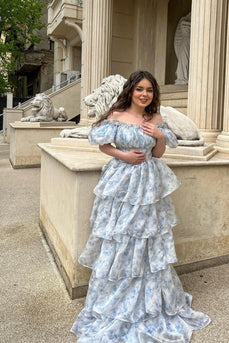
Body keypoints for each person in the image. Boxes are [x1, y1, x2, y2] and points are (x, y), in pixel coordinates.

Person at [71, 70, 211, 342]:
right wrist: (123, 154)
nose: (145, 94)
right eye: (140, 89)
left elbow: (159, 153)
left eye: (149, 90)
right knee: (120, 237)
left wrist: (159, 135)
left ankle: (148, 298)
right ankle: (116, 298)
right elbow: (103, 145)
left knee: (147, 238)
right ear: (131, 91)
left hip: (149, 184)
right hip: (121, 183)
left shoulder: (156, 118)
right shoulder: (116, 115)